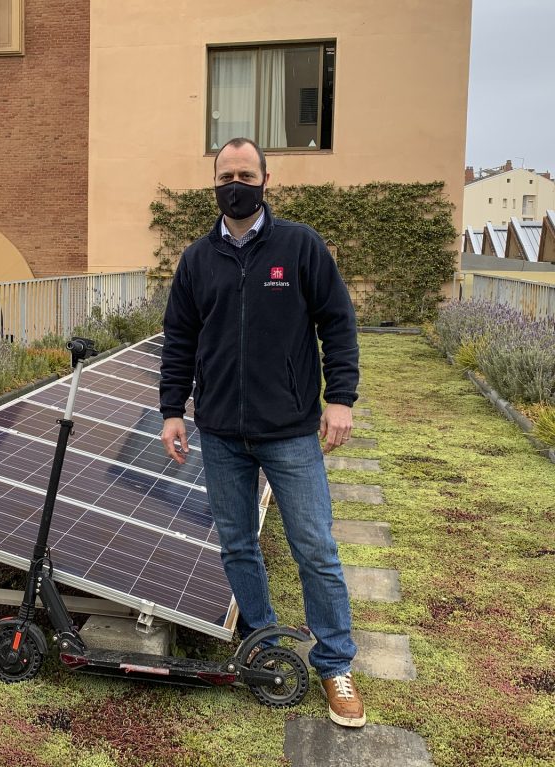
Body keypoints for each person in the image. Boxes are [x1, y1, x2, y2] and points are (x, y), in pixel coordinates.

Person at [158, 137, 365, 728]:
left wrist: (341, 398)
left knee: (315, 549)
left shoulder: (299, 247)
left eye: (246, 174)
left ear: (266, 181)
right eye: (226, 175)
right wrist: (172, 410)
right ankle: (265, 642)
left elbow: (338, 323)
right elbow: (179, 341)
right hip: (220, 432)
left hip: (291, 432)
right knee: (238, 545)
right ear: (214, 183)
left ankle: (334, 664)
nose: (236, 183)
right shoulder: (198, 260)